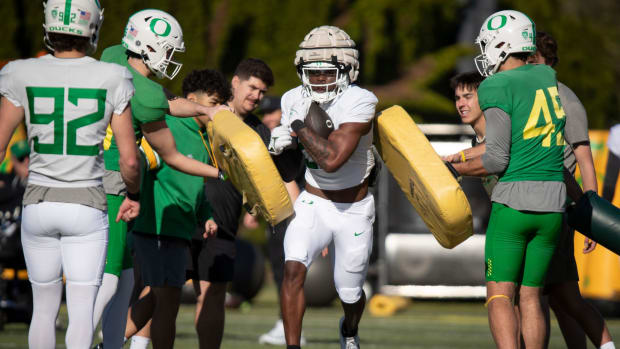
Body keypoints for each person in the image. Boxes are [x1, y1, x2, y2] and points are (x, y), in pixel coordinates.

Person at [0, 1, 142, 348]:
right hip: (87, 205)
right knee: (81, 311)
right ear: (93, 27)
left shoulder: (21, 71)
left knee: (43, 310)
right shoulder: (112, 76)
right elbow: (129, 160)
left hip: (38, 201)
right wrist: (134, 195)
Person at [92, 9, 227, 349]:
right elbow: (173, 156)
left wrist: (205, 110)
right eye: (167, 50)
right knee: (113, 280)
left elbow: (167, 101)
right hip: (114, 185)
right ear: (151, 47)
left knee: (93, 279)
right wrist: (222, 171)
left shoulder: (113, 56)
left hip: (81, 175)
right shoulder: (149, 95)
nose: (169, 58)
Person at [452, 10, 565, 348]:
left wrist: (453, 169)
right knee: (531, 297)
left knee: (500, 297)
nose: (485, 53)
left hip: (515, 202)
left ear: (503, 43)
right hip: (553, 204)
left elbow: (497, 158)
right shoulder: (546, 75)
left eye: (487, 45)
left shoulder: (497, 84)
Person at [274, 25, 378, 349]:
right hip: (313, 200)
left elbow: (332, 160)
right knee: (292, 268)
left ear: (348, 69)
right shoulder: (292, 97)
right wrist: (279, 150)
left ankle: (349, 328)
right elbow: (291, 168)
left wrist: (294, 126)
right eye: (312, 73)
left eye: (327, 72)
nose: (319, 80)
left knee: (349, 292)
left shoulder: (361, 101)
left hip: (354, 208)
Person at [190, 58, 301, 349]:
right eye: (253, 87)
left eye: (263, 92)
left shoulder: (259, 131)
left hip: (224, 222)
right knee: (159, 289)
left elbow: (279, 175)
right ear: (235, 83)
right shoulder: (205, 110)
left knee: (213, 292)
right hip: (184, 211)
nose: (257, 96)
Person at [118, 68, 224, 349]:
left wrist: (206, 216)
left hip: (179, 231)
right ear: (191, 99)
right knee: (165, 299)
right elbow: (139, 166)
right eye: (213, 103)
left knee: (164, 299)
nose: (217, 111)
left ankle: (110, 343)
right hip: (154, 229)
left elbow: (196, 187)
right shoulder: (165, 126)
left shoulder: (203, 138)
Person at [528, 31, 615, 349]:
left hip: (557, 209)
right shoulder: (525, 96)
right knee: (560, 299)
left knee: (548, 297)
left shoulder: (566, 100)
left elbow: (586, 162)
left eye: (533, 61)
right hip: (529, 205)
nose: (527, 67)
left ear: (550, 62)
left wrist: (590, 217)